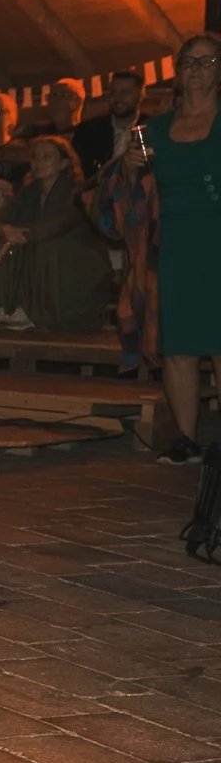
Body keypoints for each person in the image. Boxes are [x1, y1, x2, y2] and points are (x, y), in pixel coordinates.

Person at [148, 34, 221, 462]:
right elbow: (130, 189)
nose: (197, 68)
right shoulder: (155, 128)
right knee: (178, 344)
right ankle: (186, 440)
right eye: (189, 61)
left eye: (208, 61)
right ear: (178, 70)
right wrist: (133, 164)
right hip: (174, 240)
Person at [0, 135, 113, 334]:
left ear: (64, 162)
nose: (38, 163)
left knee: (41, 246)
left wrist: (20, 234)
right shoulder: (29, 192)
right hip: (44, 252)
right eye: (34, 157)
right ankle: (4, 306)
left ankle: (38, 313)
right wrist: (5, 229)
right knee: (7, 245)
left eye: (46, 157)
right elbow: (2, 218)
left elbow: (58, 224)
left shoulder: (76, 191)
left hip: (77, 261)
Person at [75, 70, 143, 181]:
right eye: (113, 92)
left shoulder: (154, 129)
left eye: (125, 92)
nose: (118, 98)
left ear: (141, 95)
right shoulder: (88, 131)